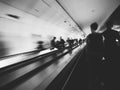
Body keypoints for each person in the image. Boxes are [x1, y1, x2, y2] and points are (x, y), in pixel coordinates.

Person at [101, 20, 120, 90]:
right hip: (114, 50)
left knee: (108, 64)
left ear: (106, 26)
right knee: (115, 64)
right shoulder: (115, 32)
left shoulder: (104, 33)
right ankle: (115, 80)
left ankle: (107, 80)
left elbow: (102, 44)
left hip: (107, 51)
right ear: (112, 26)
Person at [86, 22, 104, 90]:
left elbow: (87, 47)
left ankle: (92, 84)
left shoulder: (89, 36)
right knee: (99, 68)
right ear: (96, 28)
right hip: (98, 55)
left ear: (91, 28)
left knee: (92, 69)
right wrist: (102, 54)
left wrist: (87, 56)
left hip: (91, 55)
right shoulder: (100, 35)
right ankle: (100, 82)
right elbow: (102, 45)